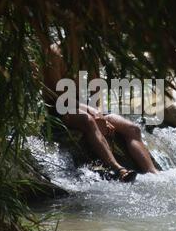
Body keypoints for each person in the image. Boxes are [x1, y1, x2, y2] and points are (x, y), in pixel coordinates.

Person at [41, 45, 159, 182]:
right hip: (59, 107)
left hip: (83, 105)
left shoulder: (90, 51)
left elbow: (96, 91)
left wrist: (100, 115)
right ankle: (119, 169)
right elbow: (61, 97)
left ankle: (153, 173)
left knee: (133, 128)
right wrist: (94, 114)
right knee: (89, 121)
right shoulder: (54, 53)